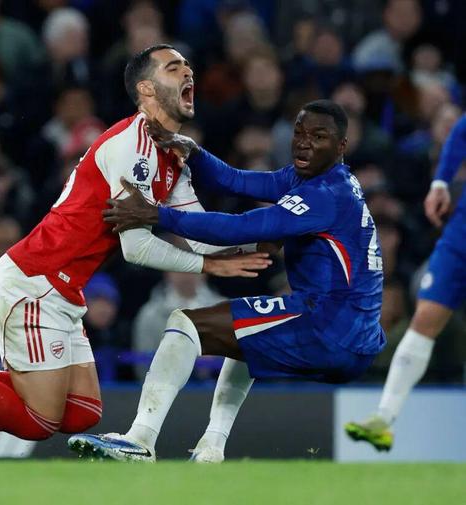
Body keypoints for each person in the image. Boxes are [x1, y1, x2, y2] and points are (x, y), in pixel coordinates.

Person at [0, 45, 270, 443]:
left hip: (62, 289)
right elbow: (136, 248)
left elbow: (200, 229)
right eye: (173, 68)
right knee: (39, 421)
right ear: (146, 89)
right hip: (35, 281)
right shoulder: (132, 146)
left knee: (82, 412)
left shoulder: (171, 156)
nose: (188, 72)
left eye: (187, 66)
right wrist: (210, 267)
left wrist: (270, 238)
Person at [68, 99, 386, 462]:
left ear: (341, 146)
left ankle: (140, 440)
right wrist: (193, 151)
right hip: (355, 334)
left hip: (328, 325)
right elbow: (235, 180)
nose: (304, 143)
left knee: (187, 323)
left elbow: (242, 227)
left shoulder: (326, 195)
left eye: (318, 136)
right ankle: (211, 449)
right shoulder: (319, 180)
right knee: (244, 337)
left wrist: (157, 216)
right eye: (299, 133)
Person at [345, 114, 466, 451]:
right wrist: (440, 183)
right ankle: (383, 418)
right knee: (426, 317)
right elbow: (461, 130)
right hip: (462, 232)